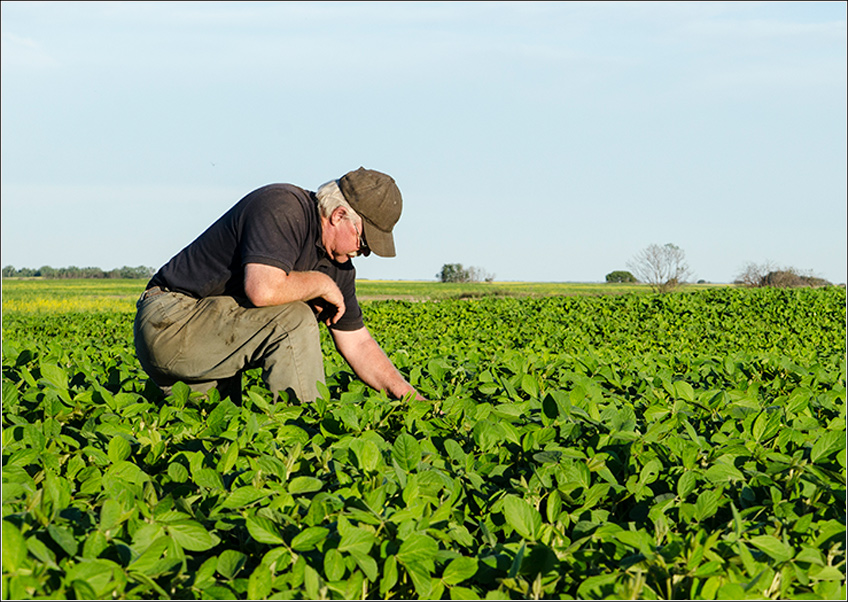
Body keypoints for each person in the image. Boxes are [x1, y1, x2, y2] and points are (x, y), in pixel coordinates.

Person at [133, 167, 424, 405]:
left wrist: (412, 400)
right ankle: (299, 435)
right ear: (338, 215)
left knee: (218, 438)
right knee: (294, 318)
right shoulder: (283, 207)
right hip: (170, 322)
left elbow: (358, 343)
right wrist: (319, 283)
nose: (364, 252)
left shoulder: (339, 266)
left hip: (210, 354)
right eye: (364, 241)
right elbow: (263, 289)